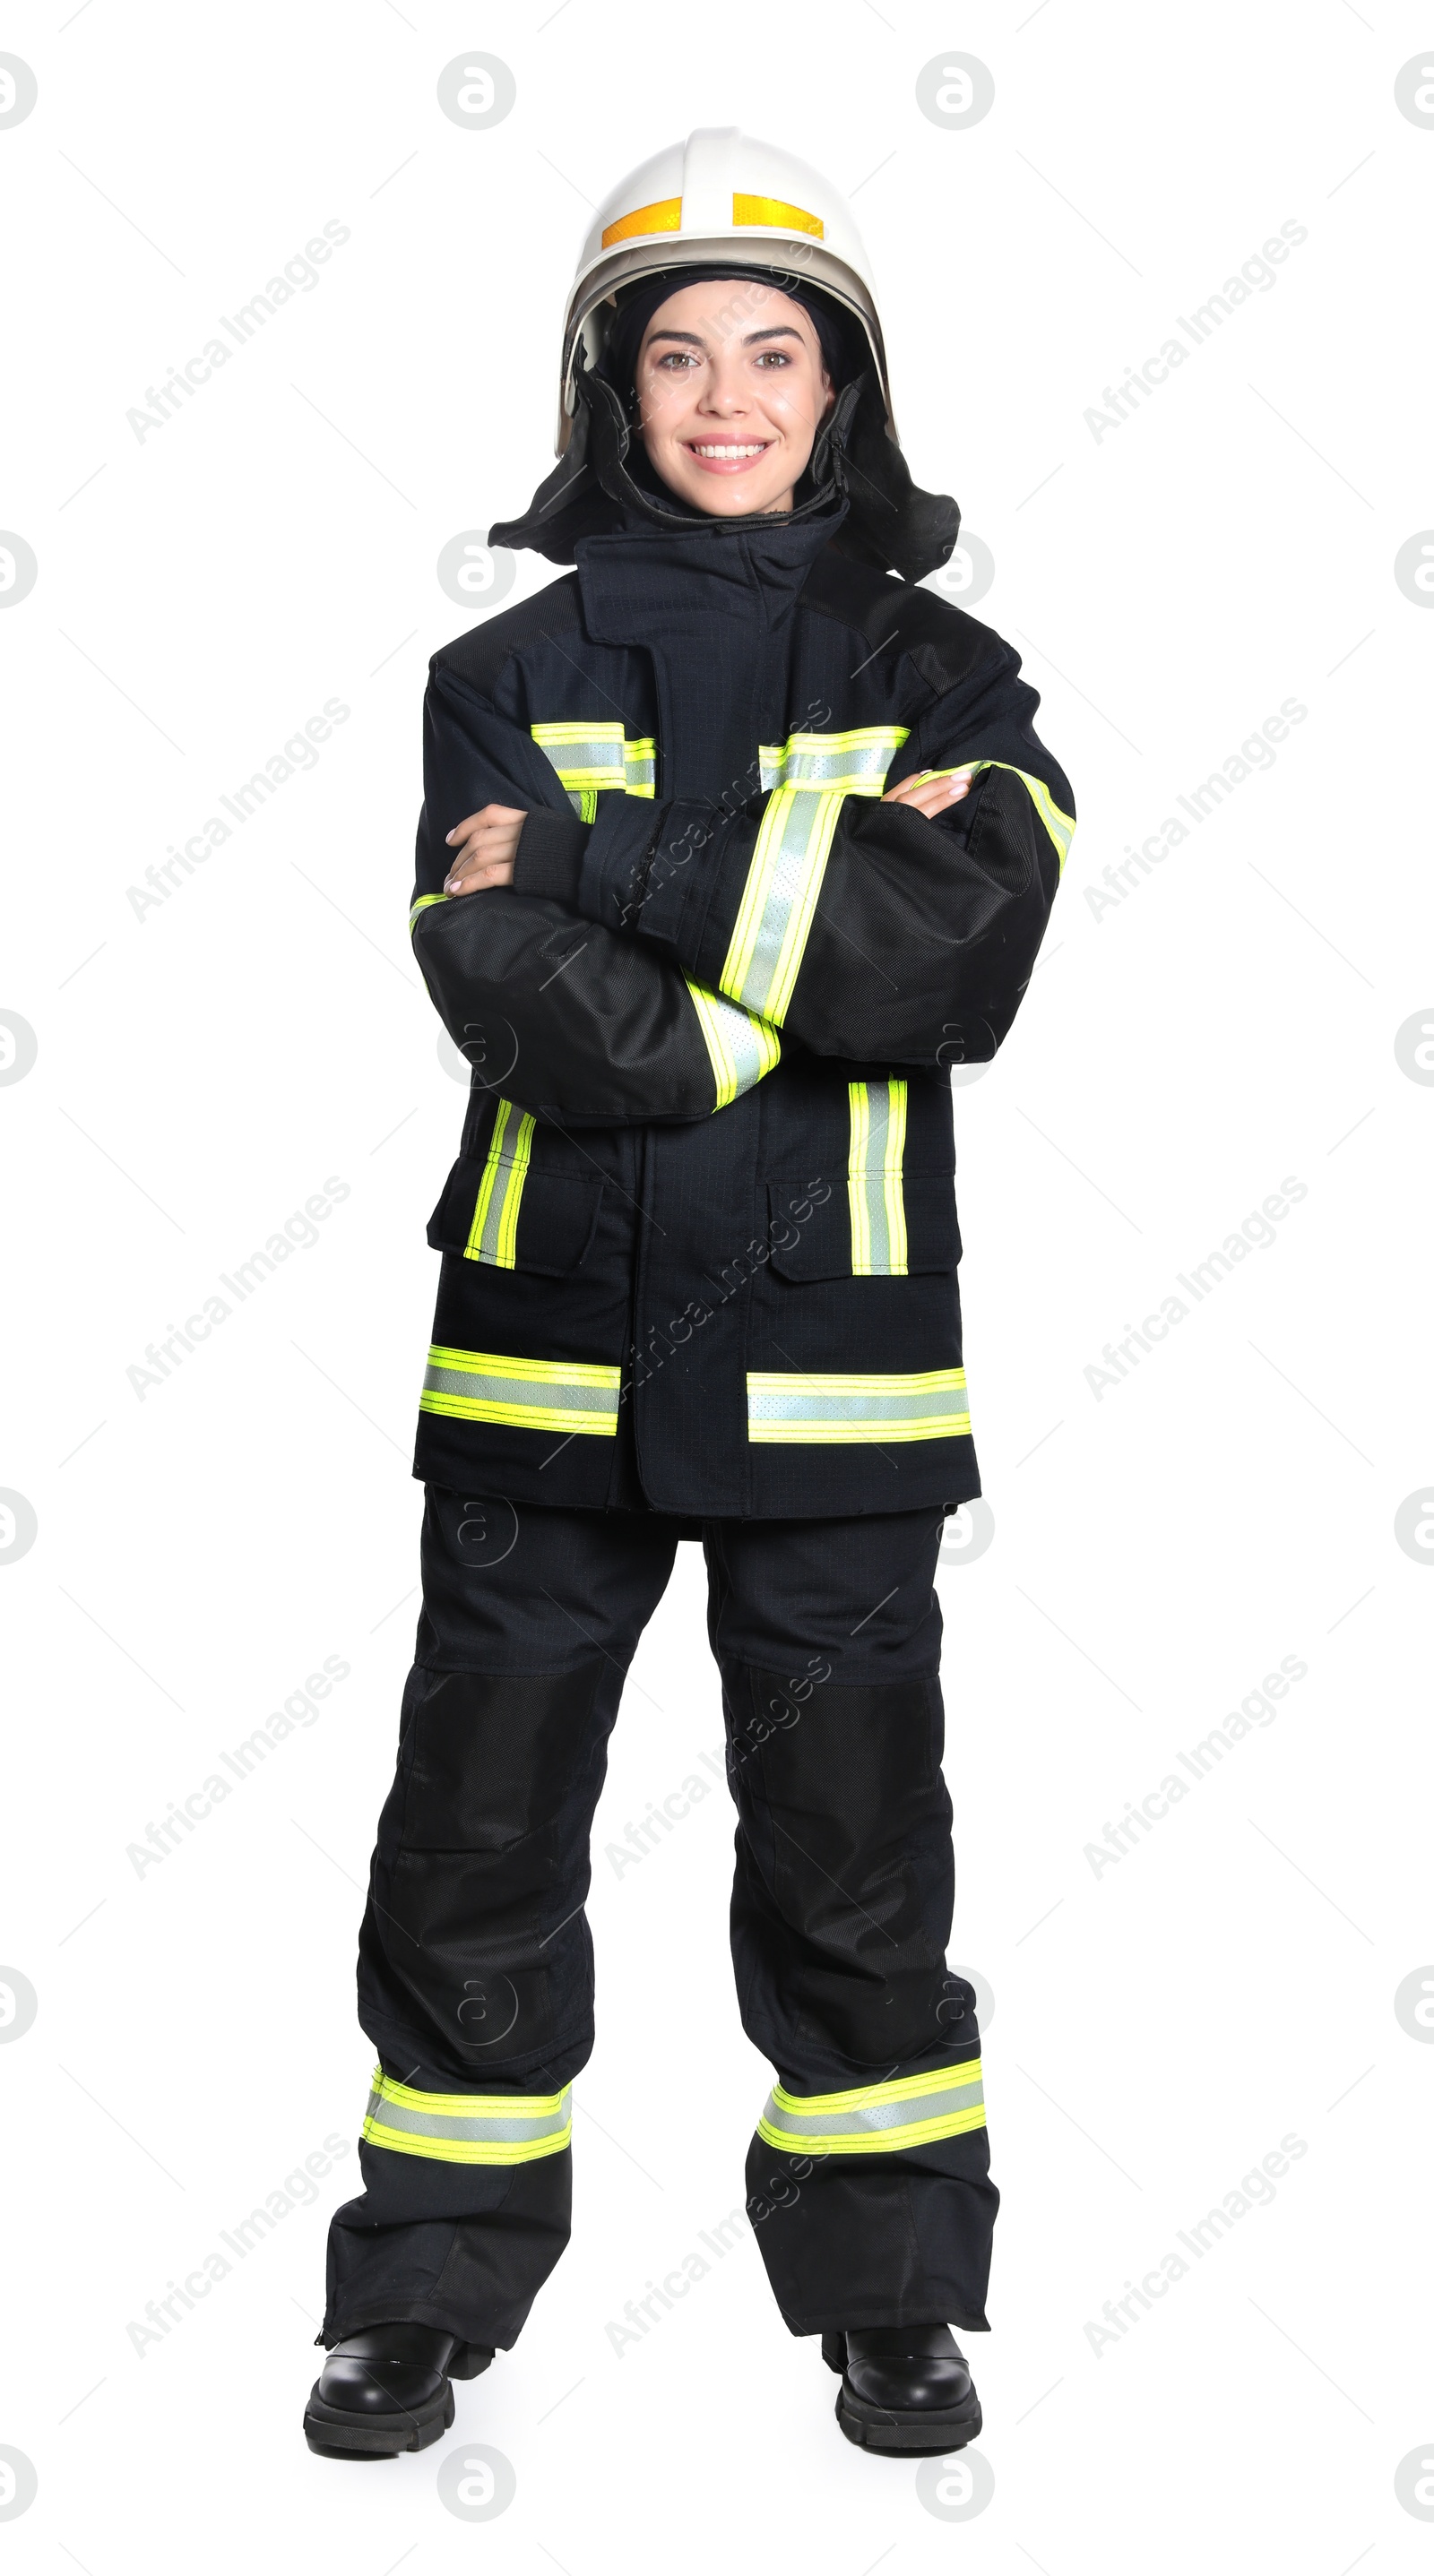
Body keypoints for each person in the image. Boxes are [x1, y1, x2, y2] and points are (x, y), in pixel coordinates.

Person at [305, 126, 1074, 2463]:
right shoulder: (489, 673)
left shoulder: (950, 670)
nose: (724, 394)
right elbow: (524, 1000)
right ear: (604, 387)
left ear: (845, 389)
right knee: (477, 1833)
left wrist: (615, 862)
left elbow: (949, 964)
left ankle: (893, 2292)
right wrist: (780, 955)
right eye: (675, 353)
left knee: (851, 1847)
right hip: (540, 1359)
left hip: (834, 1366)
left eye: (774, 350)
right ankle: (424, 2286)